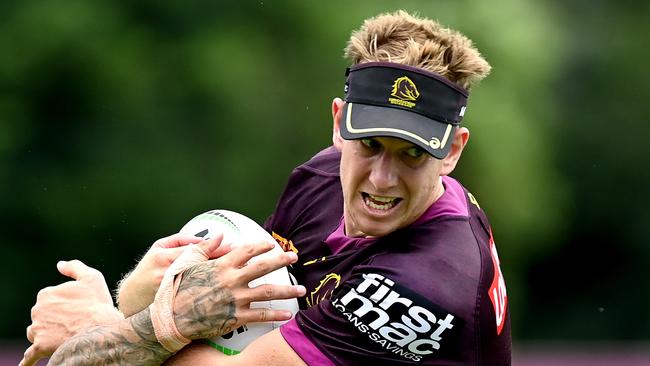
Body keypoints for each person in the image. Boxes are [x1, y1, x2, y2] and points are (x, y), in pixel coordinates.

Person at [22, 10, 511, 365]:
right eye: (370, 146)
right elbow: (234, 330)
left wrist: (95, 328)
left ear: (452, 150)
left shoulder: (426, 284)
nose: (381, 179)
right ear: (340, 125)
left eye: (412, 154)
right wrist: (143, 296)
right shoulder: (322, 178)